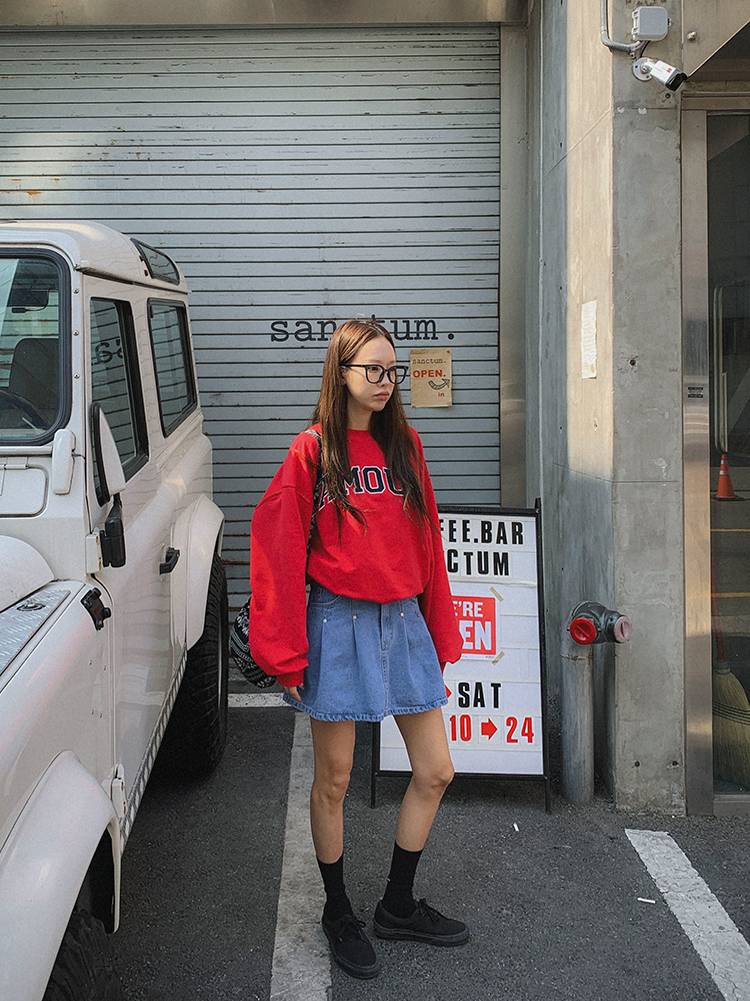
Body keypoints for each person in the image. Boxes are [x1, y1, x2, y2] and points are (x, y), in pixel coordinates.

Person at [249, 318, 468, 979]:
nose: (385, 381)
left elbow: (428, 540)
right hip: (337, 621)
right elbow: (277, 547)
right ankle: (338, 910)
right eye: (372, 369)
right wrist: (284, 651)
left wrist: (440, 625)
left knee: (435, 770)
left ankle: (397, 905)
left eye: (391, 370)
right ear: (340, 373)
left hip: (402, 620)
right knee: (335, 780)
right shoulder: (313, 451)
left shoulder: (405, 445)